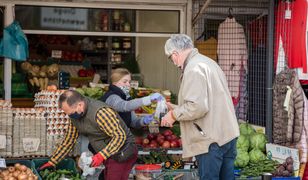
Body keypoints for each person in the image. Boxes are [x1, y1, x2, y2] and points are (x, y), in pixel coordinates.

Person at [161, 34, 239, 180]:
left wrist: (172, 115)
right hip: (226, 135)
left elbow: (197, 107)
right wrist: (177, 109)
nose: (172, 62)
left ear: (175, 54)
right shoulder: (208, 62)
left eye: (170, 58)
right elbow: (209, 103)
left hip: (210, 141)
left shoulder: (193, 68)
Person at [39, 90, 137, 180]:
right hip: (109, 153)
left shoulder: (100, 113)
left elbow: (120, 136)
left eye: (71, 113)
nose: (70, 116)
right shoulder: (75, 116)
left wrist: (101, 155)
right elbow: (69, 140)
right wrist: (53, 161)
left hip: (123, 151)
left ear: (80, 105)